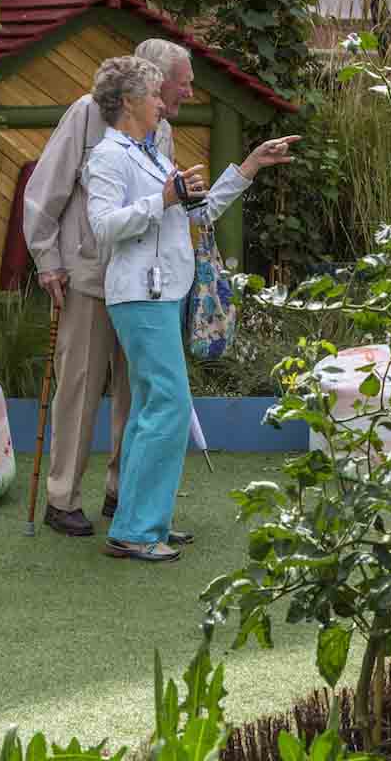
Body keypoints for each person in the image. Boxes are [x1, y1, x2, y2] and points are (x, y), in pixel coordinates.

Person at [84, 56, 298, 562]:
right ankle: (137, 529)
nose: (164, 102)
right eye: (156, 95)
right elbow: (103, 226)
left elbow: (197, 212)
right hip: (140, 294)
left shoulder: (151, 153)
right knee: (170, 406)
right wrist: (161, 199)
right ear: (131, 101)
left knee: (149, 408)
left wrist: (248, 166)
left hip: (162, 292)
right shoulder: (110, 156)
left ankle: (141, 519)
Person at [22, 40, 195, 537]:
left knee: (134, 394)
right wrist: (47, 261)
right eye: (180, 82)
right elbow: (46, 190)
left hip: (141, 284)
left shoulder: (162, 129)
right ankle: (62, 497)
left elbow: (161, 202)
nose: (184, 92)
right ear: (150, 83)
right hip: (86, 277)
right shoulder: (85, 114)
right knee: (77, 384)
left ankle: (125, 495)